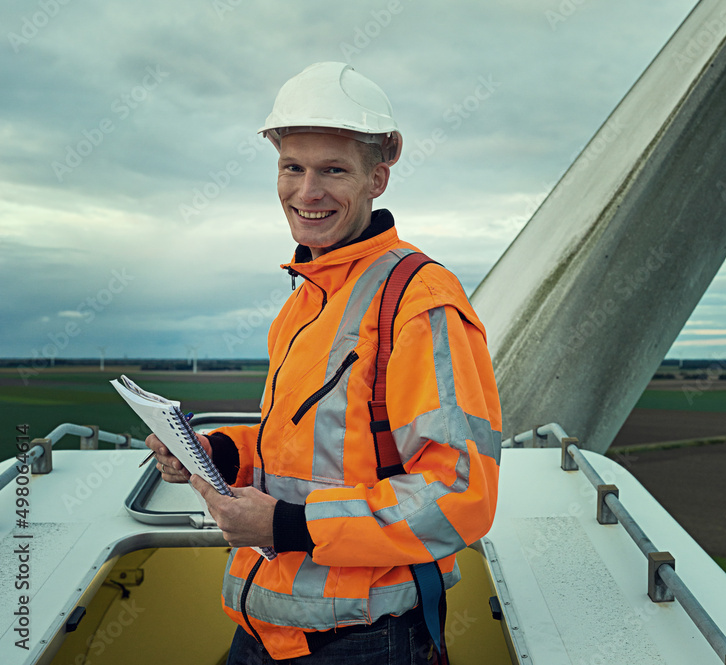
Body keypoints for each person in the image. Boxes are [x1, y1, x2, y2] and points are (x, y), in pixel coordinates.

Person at [145, 61, 502, 664]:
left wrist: (287, 526)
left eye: (333, 170)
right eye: (292, 167)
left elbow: (460, 494)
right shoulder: (307, 299)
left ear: (378, 178)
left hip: (366, 640)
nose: (306, 193)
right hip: (265, 627)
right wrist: (221, 452)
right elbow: (310, 449)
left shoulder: (420, 302)